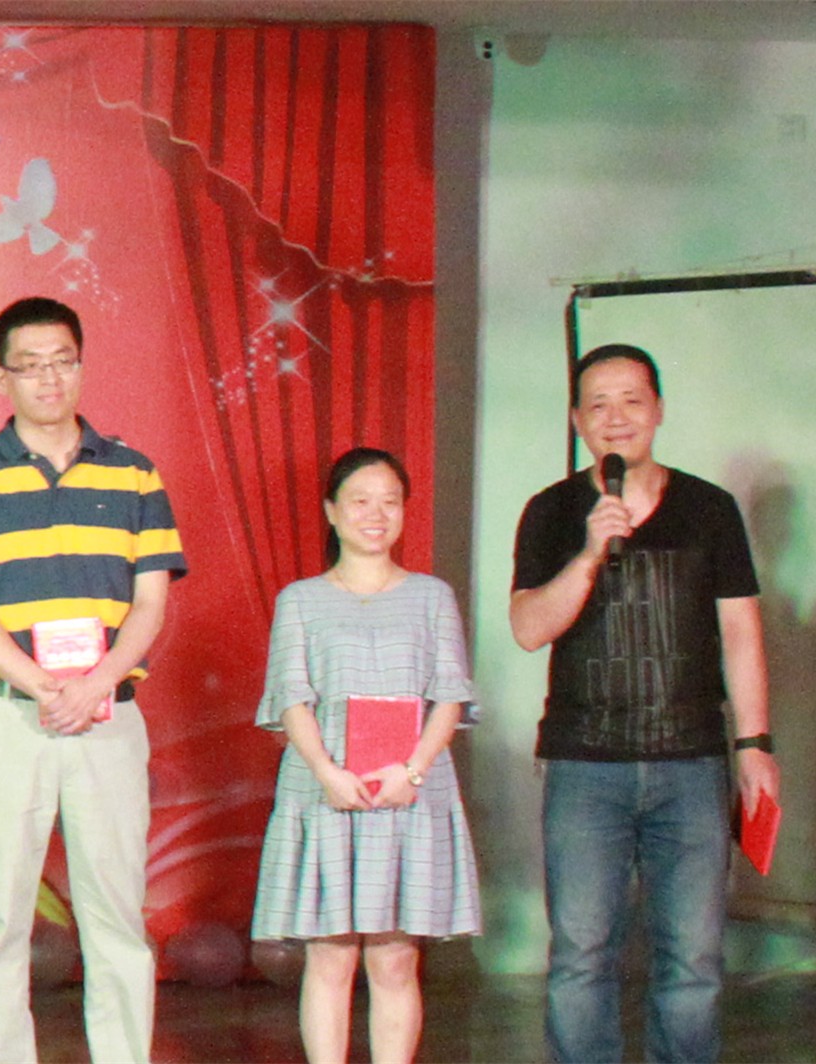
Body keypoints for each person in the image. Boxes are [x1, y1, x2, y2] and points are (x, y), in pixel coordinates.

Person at [0, 295, 180, 1064]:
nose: (48, 378)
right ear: (1, 378)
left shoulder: (134, 473)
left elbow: (150, 602)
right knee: (0, 917)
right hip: (5, 716)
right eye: (30, 366)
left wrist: (95, 684)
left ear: (81, 366)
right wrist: (43, 685)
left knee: (116, 914)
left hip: (107, 715)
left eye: (62, 361)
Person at [507, 343, 780, 1064]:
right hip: (584, 765)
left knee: (693, 958)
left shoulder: (709, 509)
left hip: (690, 762)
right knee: (580, 956)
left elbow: (740, 633)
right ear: (577, 419)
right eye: (598, 404)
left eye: (631, 400)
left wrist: (755, 746)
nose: (616, 417)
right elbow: (529, 628)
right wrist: (589, 554)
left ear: (658, 410)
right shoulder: (552, 512)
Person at [250, 447, 478, 1064]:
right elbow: (290, 696)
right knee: (330, 955)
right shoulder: (300, 599)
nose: (376, 514)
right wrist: (328, 772)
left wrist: (412, 772)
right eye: (360, 501)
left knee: (396, 958)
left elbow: (450, 695)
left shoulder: (432, 596)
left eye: (390, 502)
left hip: (408, 791)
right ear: (332, 511)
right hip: (326, 790)